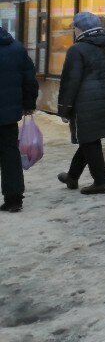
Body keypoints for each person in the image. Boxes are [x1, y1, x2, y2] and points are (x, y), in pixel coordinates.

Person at [56, 12, 105, 195]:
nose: (74, 30)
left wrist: (64, 109)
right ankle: (72, 176)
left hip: (86, 104)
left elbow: (70, 82)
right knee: (90, 138)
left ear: (81, 28)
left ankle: (101, 182)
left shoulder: (77, 50)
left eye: (75, 27)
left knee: (88, 139)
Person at [0, 26, 39, 213]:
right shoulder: (16, 48)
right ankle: (14, 199)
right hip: (8, 114)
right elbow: (29, 79)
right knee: (10, 154)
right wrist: (28, 104)